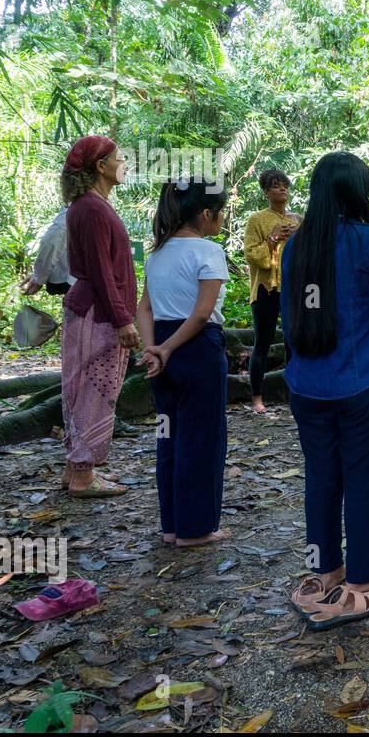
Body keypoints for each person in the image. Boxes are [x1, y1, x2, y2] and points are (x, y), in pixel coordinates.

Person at [280, 152, 369, 630]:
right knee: (363, 480)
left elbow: (289, 318)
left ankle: (325, 571)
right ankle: (361, 580)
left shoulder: (297, 244)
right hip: (363, 385)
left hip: (307, 385)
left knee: (322, 478)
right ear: (358, 192)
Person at [137, 177, 231, 547]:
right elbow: (202, 314)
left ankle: (171, 525)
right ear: (206, 214)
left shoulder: (156, 253)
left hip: (161, 354)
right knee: (201, 438)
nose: (221, 219)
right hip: (196, 352)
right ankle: (196, 529)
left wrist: (153, 348)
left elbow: (143, 308)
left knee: (169, 435)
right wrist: (169, 348)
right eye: (220, 213)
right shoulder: (209, 252)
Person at [59, 136, 140, 498]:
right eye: (119, 159)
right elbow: (102, 270)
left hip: (93, 308)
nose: (123, 164)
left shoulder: (92, 205)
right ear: (100, 166)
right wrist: (123, 320)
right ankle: (82, 476)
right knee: (95, 389)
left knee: (83, 389)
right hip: (97, 312)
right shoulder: (92, 208)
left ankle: (76, 468)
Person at [242, 168, 300, 414]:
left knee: (293, 342)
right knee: (262, 343)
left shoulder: (297, 220)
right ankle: (257, 399)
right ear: (266, 192)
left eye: (285, 185)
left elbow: (306, 253)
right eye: (276, 186)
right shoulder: (257, 220)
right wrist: (273, 238)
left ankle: (295, 394)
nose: (282, 189)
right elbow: (253, 256)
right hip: (266, 289)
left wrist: (298, 233)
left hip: (292, 289)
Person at [22, 206, 74, 296]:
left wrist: (39, 277)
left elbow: (53, 240)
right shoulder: (101, 204)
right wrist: (39, 275)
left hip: (77, 284)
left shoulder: (75, 207)